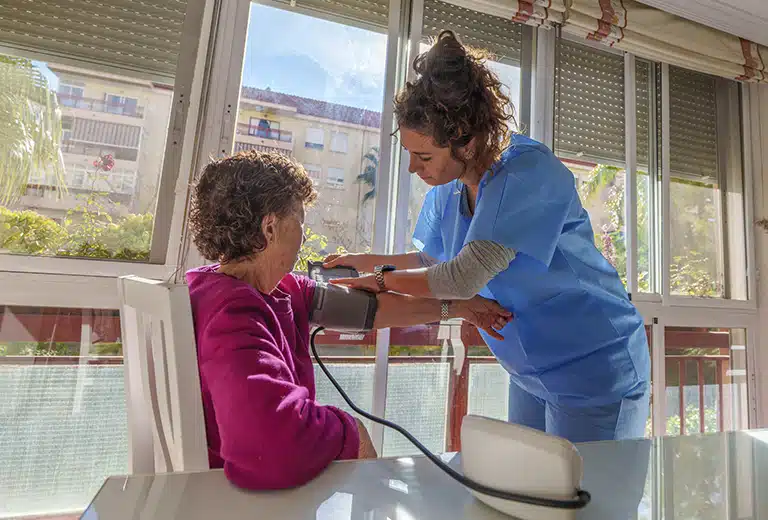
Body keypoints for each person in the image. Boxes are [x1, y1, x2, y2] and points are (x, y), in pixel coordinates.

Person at [325, 30, 651, 443]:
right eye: (409, 154)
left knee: (592, 504)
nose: (413, 169)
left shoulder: (527, 173)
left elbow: (460, 279)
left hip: (593, 366)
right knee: (530, 495)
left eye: (423, 157)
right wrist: (365, 261)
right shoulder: (452, 186)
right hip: (528, 370)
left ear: (468, 140)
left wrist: (382, 280)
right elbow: (432, 261)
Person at [185, 150, 512, 490]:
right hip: (238, 494)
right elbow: (270, 446)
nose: (303, 235)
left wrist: (457, 308)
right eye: (298, 220)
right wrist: (350, 432)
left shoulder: (269, 288)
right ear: (270, 228)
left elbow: (372, 310)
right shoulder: (232, 314)